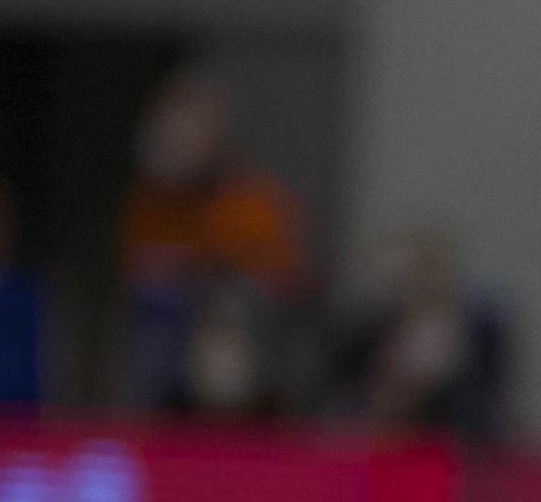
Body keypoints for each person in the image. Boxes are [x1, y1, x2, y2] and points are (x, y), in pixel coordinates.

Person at [119, 67, 310, 414]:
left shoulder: (259, 201)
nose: (180, 136)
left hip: (249, 349)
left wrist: (211, 273)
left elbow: (287, 285)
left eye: (195, 125)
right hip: (172, 357)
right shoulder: (148, 205)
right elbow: (142, 278)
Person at [332, 220, 520, 446]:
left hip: (453, 444)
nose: (420, 279)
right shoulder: (367, 332)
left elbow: (491, 408)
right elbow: (343, 401)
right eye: (411, 272)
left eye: (429, 266)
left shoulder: (482, 331)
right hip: (379, 441)